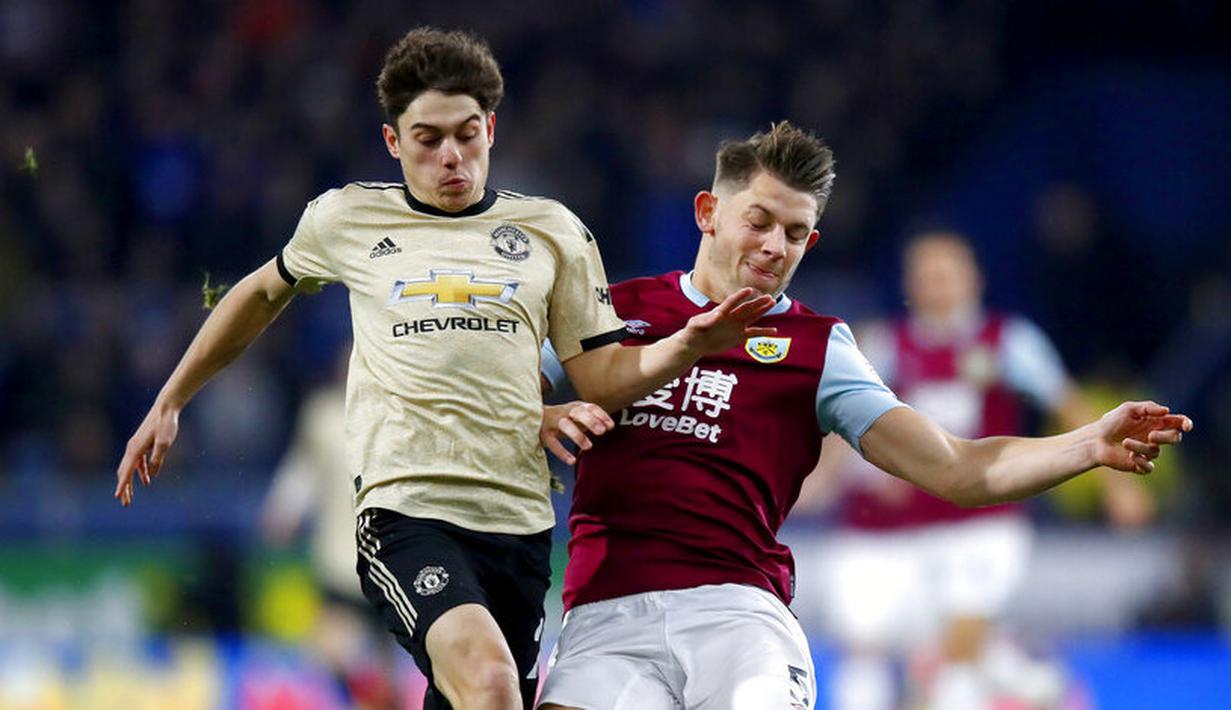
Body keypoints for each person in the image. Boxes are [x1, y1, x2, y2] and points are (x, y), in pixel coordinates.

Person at [114, 27, 777, 710]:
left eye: (467, 134)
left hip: (517, 522)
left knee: (479, 696)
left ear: (491, 127)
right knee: (488, 682)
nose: (452, 156)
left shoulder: (553, 232)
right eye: (428, 139)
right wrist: (171, 398)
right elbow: (259, 293)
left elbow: (603, 376)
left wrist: (689, 346)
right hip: (406, 511)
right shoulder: (348, 218)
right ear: (393, 142)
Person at [532, 122, 1191, 710]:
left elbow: (956, 467)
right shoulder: (608, 314)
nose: (772, 247)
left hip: (737, 616)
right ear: (708, 211)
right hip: (603, 616)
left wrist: (1085, 445)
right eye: (757, 221)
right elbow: (487, 404)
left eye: (794, 234)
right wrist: (535, 417)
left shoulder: (821, 349)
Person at [807, 232, 1155, 710]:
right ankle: (1032, 682)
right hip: (899, 529)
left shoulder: (1008, 341)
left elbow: (1070, 407)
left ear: (973, 278)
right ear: (911, 284)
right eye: (926, 276)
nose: (937, 286)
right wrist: (817, 484)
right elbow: (846, 421)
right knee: (868, 648)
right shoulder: (887, 346)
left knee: (957, 653)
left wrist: (1116, 485)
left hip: (982, 524)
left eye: (946, 274)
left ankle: (1013, 677)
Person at [260, 344, 399, 709]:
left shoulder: (397, 414)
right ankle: (363, 688)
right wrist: (283, 510)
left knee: (384, 659)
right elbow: (303, 468)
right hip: (338, 558)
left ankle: (379, 695)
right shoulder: (322, 415)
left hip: (389, 558)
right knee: (329, 648)